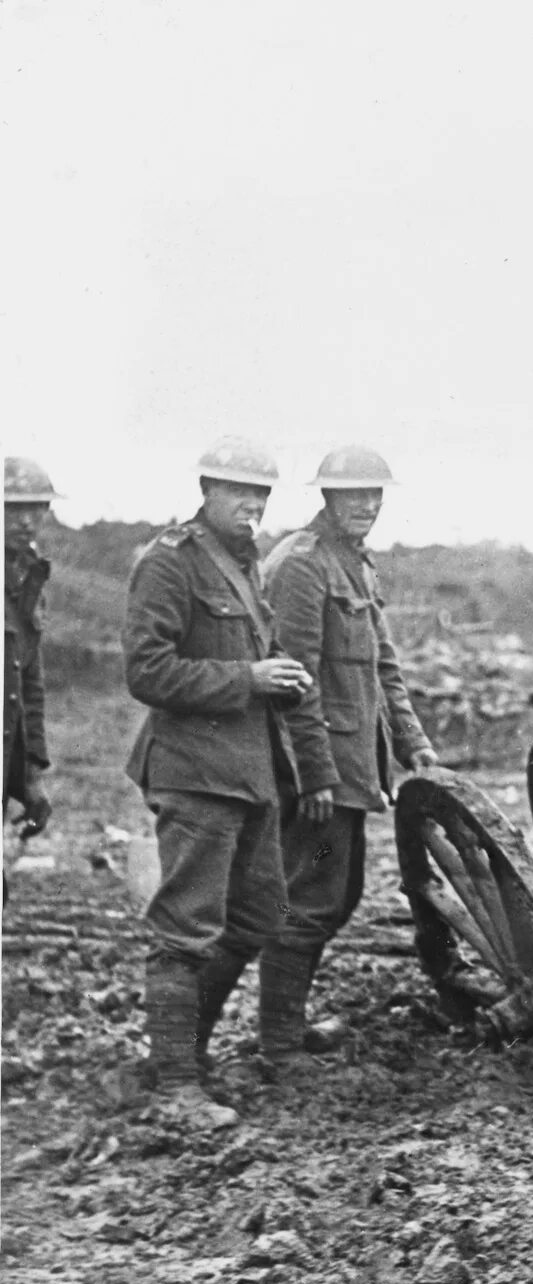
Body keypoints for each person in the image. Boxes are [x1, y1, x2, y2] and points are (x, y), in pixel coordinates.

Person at [125, 436, 313, 1127]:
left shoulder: (246, 567)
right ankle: (176, 1085)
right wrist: (248, 680)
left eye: (262, 494)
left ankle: (184, 1053)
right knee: (185, 928)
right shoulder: (169, 563)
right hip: (194, 774)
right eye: (239, 491)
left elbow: (246, 661)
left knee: (258, 916)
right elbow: (146, 671)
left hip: (251, 773)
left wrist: (278, 685)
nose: (252, 506)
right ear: (207, 489)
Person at [257, 445, 438, 1076]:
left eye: (375, 494)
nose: (366, 504)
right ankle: (279, 1045)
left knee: (337, 895)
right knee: (311, 898)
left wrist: (414, 743)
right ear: (327, 497)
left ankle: (289, 1025)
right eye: (353, 494)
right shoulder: (300, 568)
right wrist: (314, 776)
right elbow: (293, 681)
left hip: (355, 769)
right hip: (320, 775)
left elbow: (384, 667)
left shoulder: (356, 566)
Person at [5, 457, 58, 846]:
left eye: (36, 508)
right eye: (13, 507)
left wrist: (31, 774)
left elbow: (27, 686)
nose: (25, 520)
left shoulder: (29, 576)